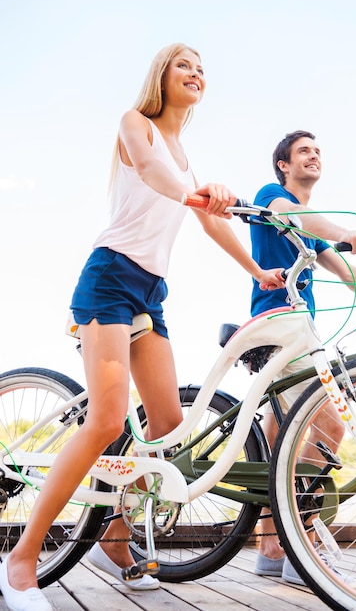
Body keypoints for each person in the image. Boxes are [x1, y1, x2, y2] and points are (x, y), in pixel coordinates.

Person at [0, 43, 286, 611]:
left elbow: (209, 221)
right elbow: (154, 173)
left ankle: (113, 535)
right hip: (109, 278)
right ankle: (22, 560)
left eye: (202, 68)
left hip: (150, 292)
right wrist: (192, 193)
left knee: (167, 422)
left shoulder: (185, 155)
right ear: (162, 74)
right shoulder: (139, 126)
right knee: (107, 418)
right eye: (185, 65)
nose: (196, 73)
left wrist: (258, 269)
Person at [251, 130, 356, 585]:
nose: (314, 155)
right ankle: (297, 546)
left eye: (318, 151)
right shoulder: (275, 198)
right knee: (327, 420)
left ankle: (271, 547)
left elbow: (349, 275)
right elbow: (291, 214)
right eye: (304, 150)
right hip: (278, 323)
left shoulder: (308, 222)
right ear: (283, 164)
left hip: (298, 331)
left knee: (278, 439)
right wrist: (347, 232)